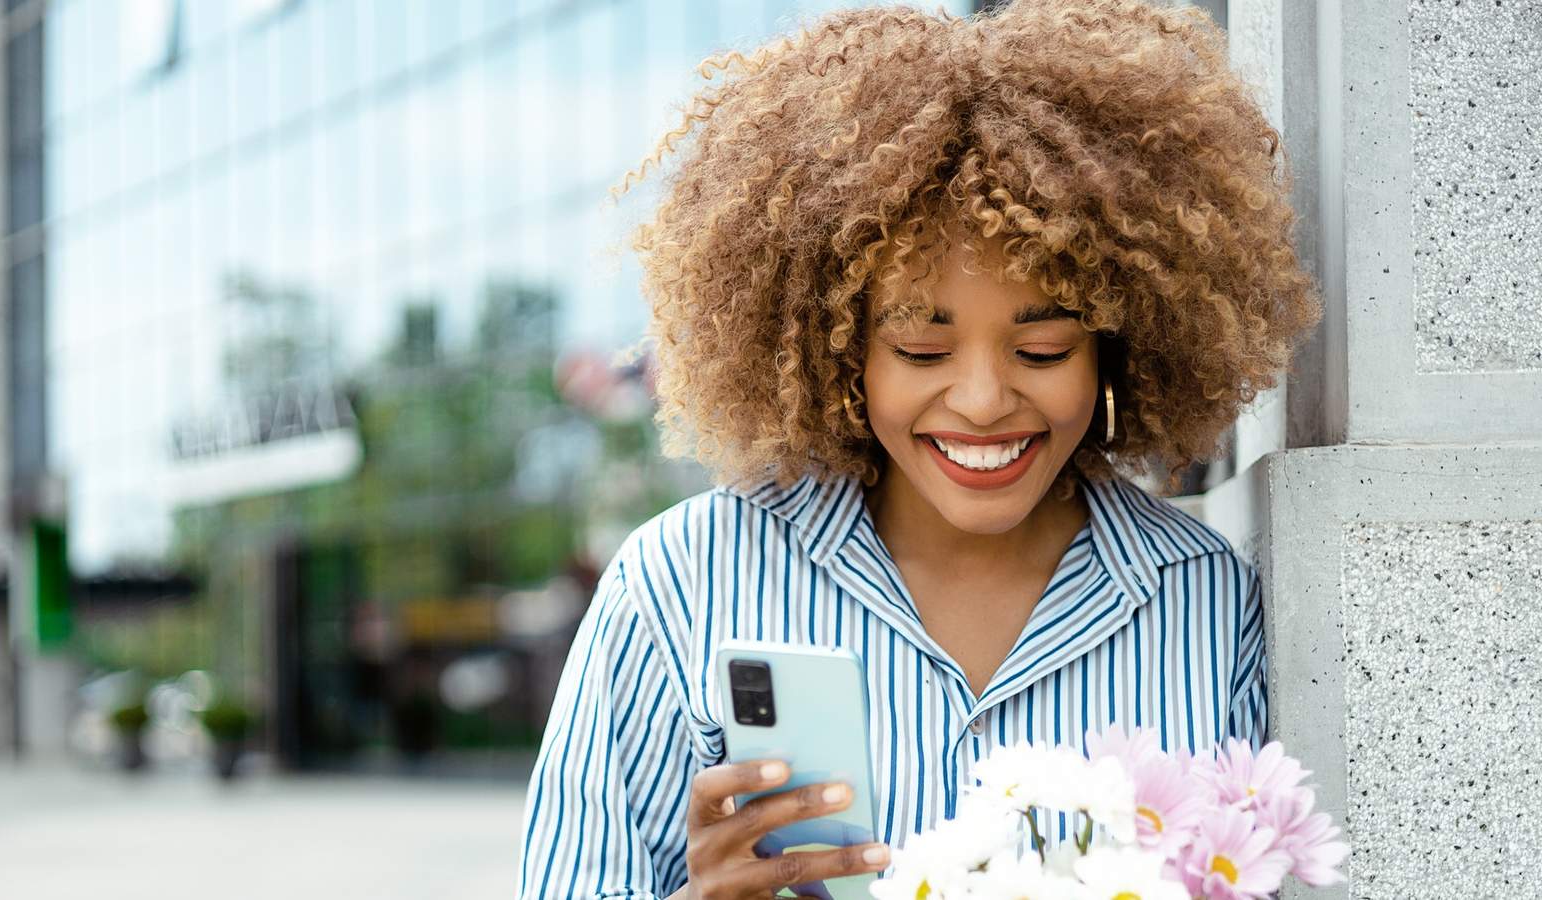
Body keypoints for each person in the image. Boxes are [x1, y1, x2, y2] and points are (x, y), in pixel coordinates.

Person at [516, 1, 1318, 897]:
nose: (981, 402)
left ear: (1115, 344)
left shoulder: (1205, 603)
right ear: (839, 351)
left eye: (1043, 349)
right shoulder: (682, 587)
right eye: (921, 349)